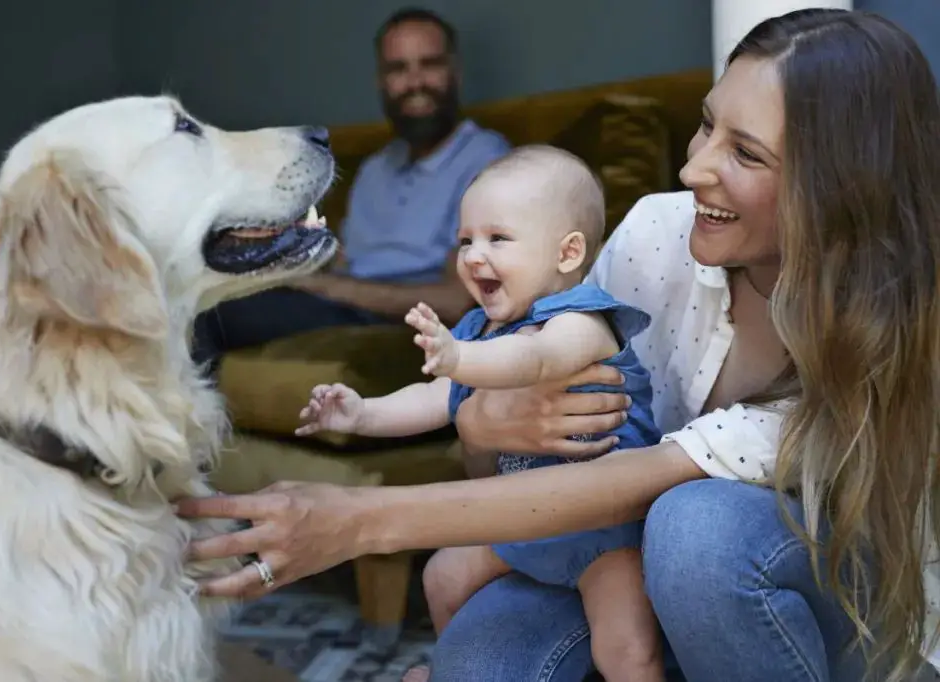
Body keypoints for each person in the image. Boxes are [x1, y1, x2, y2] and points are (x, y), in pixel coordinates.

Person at [177, 9, 940, 682]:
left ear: (836, 187)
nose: (692, 165)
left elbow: (644, 479)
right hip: (620, 560)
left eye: (746, 153)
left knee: (699, 529)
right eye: (708, 124)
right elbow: (529, 454)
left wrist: (354, 520)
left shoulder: (881, 329)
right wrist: (481, 424)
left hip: (821, 604)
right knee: (479, 660)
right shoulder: (654, 235)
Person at [295, 145, 664, 682]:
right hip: (523, 521)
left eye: (498, 239)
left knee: (626, 653)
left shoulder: (583, 320)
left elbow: (535, 359)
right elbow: (433, 399)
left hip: (601, 531)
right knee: (442, 577)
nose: (472, 255)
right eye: (465, 240)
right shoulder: (481, 328)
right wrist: (361, 416)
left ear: (567, 254)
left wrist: (462, 359)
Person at [192, 7, 511, 368]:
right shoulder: (374, 168)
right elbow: (343, 260)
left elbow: (458, 300)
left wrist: (324, 287)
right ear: (381, 82)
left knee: (209, 315)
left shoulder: (487, 159)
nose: (415, 82)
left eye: (430, 64)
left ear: (455, 72)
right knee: (202, 293)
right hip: (334, 305)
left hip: (390, 319)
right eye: (398, 69)